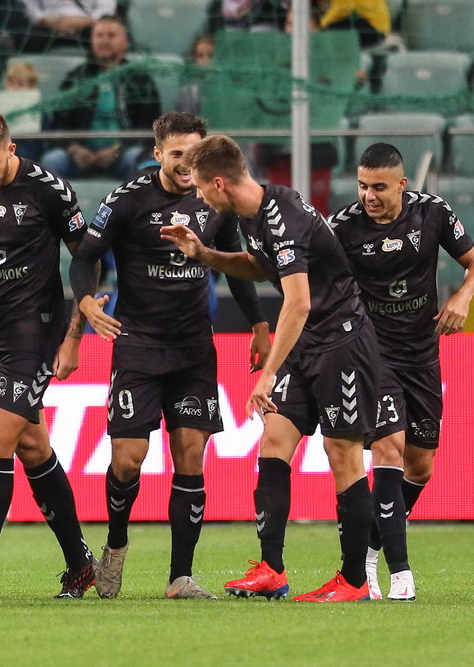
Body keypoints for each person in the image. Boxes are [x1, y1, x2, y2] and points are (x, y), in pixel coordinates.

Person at [161, 134, 381, 602]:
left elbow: (297, 303)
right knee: (275, 441)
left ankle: (354, 581)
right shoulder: (253, 213)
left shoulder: (282, 217)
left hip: (341, 342)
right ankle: (271, 568)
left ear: (220, 182)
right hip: (306, 345)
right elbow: (261, 268)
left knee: (343, 457)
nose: (198, 196)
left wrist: (266, 374)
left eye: (201, 187)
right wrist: (206, 256)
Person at [69, 112, 271, 600]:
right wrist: (86, 302)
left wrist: (260, 325)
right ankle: (115, 546)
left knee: (191, 458)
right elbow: (83, 257)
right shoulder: (128, 200)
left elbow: (237, 266)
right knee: (128, 459)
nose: (187, 164)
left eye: (195, 155)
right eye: (177, 154)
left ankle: (181, 576)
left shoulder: (213, 201)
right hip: (137, 346)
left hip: (193, 349)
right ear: (158, 153)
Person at [0, 110, 95, 602]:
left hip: (36, 333)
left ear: (10, 148)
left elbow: (86, 262)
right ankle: (80, 563)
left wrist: (74, 336)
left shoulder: (50, 190)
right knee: (32, 447)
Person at [328, 143, 474, 601]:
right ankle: (400, 575)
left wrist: (462, 297)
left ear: (402, 184)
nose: (369, 195)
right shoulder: (343, 227)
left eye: (379, 186)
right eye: (362, 185)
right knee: (388, 448)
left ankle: (370, 549)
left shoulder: (432, 212)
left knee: (421, 465)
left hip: (421, 353)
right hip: (370, 353)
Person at [42, 16, 160, 180]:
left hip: (124, 151)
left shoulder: (140, 79)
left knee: (135, 157)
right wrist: (75, 150)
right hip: (81, 153)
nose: (104, 40)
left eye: (111, 35)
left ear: (126, 42)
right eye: (99, 35)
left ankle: (134, 205)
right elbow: (59, 125)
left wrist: (118, 150)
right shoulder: (76, 78)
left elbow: (149, 127)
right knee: (53, 159)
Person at [18, 0, 117, 53]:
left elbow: (107, 8)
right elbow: (28, 3)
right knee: (21, 40)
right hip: (48, 28)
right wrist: (44, 20)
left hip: (87, 27)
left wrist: (87, 21)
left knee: (104, 38)